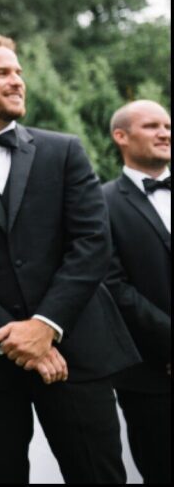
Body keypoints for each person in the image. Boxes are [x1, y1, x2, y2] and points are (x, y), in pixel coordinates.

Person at [0, 33, 139, 484]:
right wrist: (16, 341)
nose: (17, 81)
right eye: (2, 73)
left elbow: (93, 243)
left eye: (18, 72)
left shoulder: (65, 151)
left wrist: (44, 326)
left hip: (75, 349)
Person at [103, 100, 171, 484]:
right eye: (151, 126)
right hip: (149, 374)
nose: (164, 133)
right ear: (121, 136)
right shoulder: (100, 202)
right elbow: (113, 286)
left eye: (167, 125)